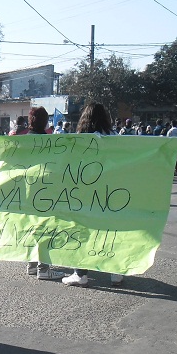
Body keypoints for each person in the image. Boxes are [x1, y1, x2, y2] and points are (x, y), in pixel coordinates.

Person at [61, 102, 124, 288]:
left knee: (82, 231)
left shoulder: (79, 140)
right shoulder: (115, 138)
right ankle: (116, 272)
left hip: (85, 193)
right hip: (111, 191)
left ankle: (80, 274)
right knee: (109, 231)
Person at [26, 107, 67, 281]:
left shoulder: (22, 141)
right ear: (45, 122)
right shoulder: (48, 142)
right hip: (45, 191)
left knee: (32, 227)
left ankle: (31, 264)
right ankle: (43, 268)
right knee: (45, 228)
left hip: (27, 190)